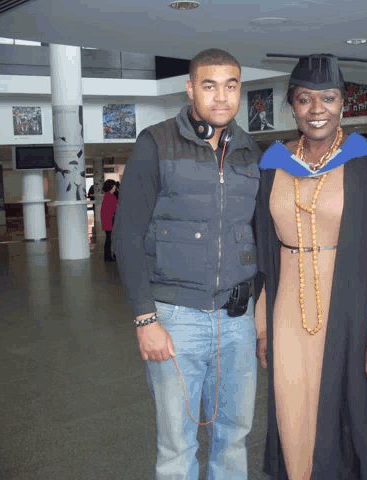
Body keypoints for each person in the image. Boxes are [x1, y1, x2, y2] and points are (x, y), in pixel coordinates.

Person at [254, 53, 367, 480]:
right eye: (305, 99)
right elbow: (266, 253)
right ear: (292, 105)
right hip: (286, 311)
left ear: (344, 104)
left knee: (347, 412)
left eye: (329, 98)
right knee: (291, 407)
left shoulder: (366, 162)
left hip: (351, 310)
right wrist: (262, 327)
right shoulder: (273, 163)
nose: (317, 109)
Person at [112, 48, 261, 480]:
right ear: (190, 88)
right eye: (210, 85)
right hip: (175, 319)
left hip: (238, 320)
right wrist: (145, 318)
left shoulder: (250, 151)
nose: (221, 97)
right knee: (177, 445)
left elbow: (260, 236)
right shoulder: (155, 142)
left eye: (231, 86)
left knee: (233, 436)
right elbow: (127, 235)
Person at [100, 179, 118, 262]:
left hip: (107, 221)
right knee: (110, 240)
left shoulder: (107, 196)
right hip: (111, 222)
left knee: (108, 239)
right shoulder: (110, 196)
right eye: (114, 186)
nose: (115, 187)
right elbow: (113, 210)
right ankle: (109, 257)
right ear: (111, 186)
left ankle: (107, 256)